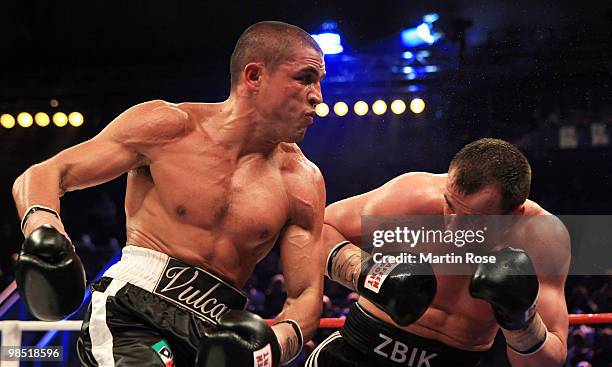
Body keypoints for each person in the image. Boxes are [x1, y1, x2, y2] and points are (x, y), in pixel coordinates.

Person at [12, 21, 327, 367]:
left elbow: (306, 297)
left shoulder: (302, 181)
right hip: (134, 310)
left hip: (217, 334)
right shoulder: (169, 127)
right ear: (254, 76)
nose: (317, 95)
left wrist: (271, 349)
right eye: (305, 78)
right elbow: (47, 173)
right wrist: (45, 233)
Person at [308, 138, 570, 367]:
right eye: (449, 205)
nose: (452, 225)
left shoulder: (542, 239)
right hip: (358, 352)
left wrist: (521, 324)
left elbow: (547, 360)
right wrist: (366, 272)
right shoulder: (414, 197)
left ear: (513, 216)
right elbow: (313, 233)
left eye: (472, 219)